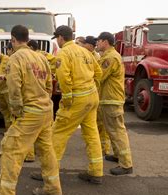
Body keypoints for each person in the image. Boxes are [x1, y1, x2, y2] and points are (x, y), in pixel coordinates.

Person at [0, 25, 62, 195]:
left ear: (13, 39)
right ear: (27, 38)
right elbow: (50, 84)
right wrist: (44, 102)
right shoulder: (41, 58)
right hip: (45, 111)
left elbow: (14, 88)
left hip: (30, 112)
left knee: (10, 148)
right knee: (46, 150)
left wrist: (17, 110)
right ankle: (53, 188)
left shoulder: (15, 58)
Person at [33, 26, 104, 184]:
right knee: (92, 135)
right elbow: (98, 73)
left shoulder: (64, 53)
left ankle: (49, 172)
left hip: (76, 100)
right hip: (92, 97)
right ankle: (96, 171)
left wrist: (67, 97)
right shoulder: (85, 51)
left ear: (60, 38)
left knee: (58, 133)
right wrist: (91, 88)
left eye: (57, 39)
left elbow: (64, 78)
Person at [96, 32, 133, 175]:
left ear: (105, 42)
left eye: (99, 41)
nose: (97, 44)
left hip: (111, 100)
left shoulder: (110, 58)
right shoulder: (108, 56)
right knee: (113, 130)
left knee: (117, 131)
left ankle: (126, 165)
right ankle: (118, 155)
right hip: (108, 99)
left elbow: (99, 75)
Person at [80, 36, 112, 156]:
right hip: (97, 94)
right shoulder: (97, 56)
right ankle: (100, 148)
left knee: (102, 125)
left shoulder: (101, 57)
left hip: (101, 95)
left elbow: (99, 75)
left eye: (83, 44)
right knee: (97, 124)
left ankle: (104, 149)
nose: (81, 46)